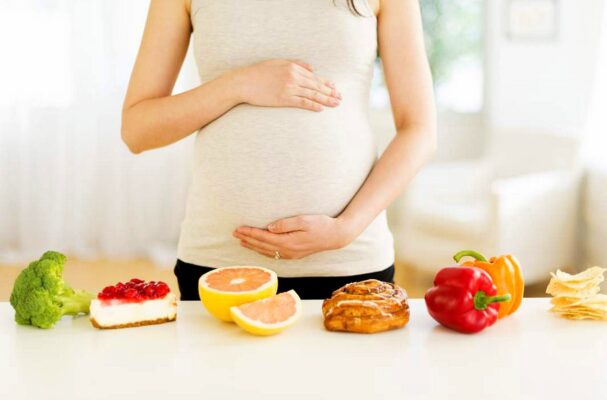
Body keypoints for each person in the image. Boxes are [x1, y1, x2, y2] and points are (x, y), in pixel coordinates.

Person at [121, 0, 436, 300]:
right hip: (219, 264)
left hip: (349, 262)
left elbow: (419, 128)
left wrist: (345, 228)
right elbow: (137, 130)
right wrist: (238, 85)